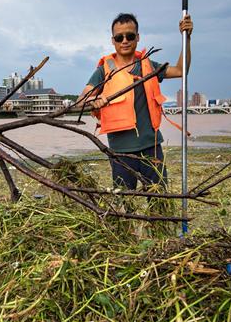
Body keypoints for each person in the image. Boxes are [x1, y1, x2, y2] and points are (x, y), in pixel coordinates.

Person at [78, 12, 192, 191]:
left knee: (159, 203)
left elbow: (180, 70)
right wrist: (94, 99)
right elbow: (81, 100)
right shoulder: (104, 70)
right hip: (120, 152)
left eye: (130, 36)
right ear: (113, 40)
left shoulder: (148, 65)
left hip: (151, 147)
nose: (125, 40)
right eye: (119, 37)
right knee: (124, 205)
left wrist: (187, 38)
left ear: (137, 37)